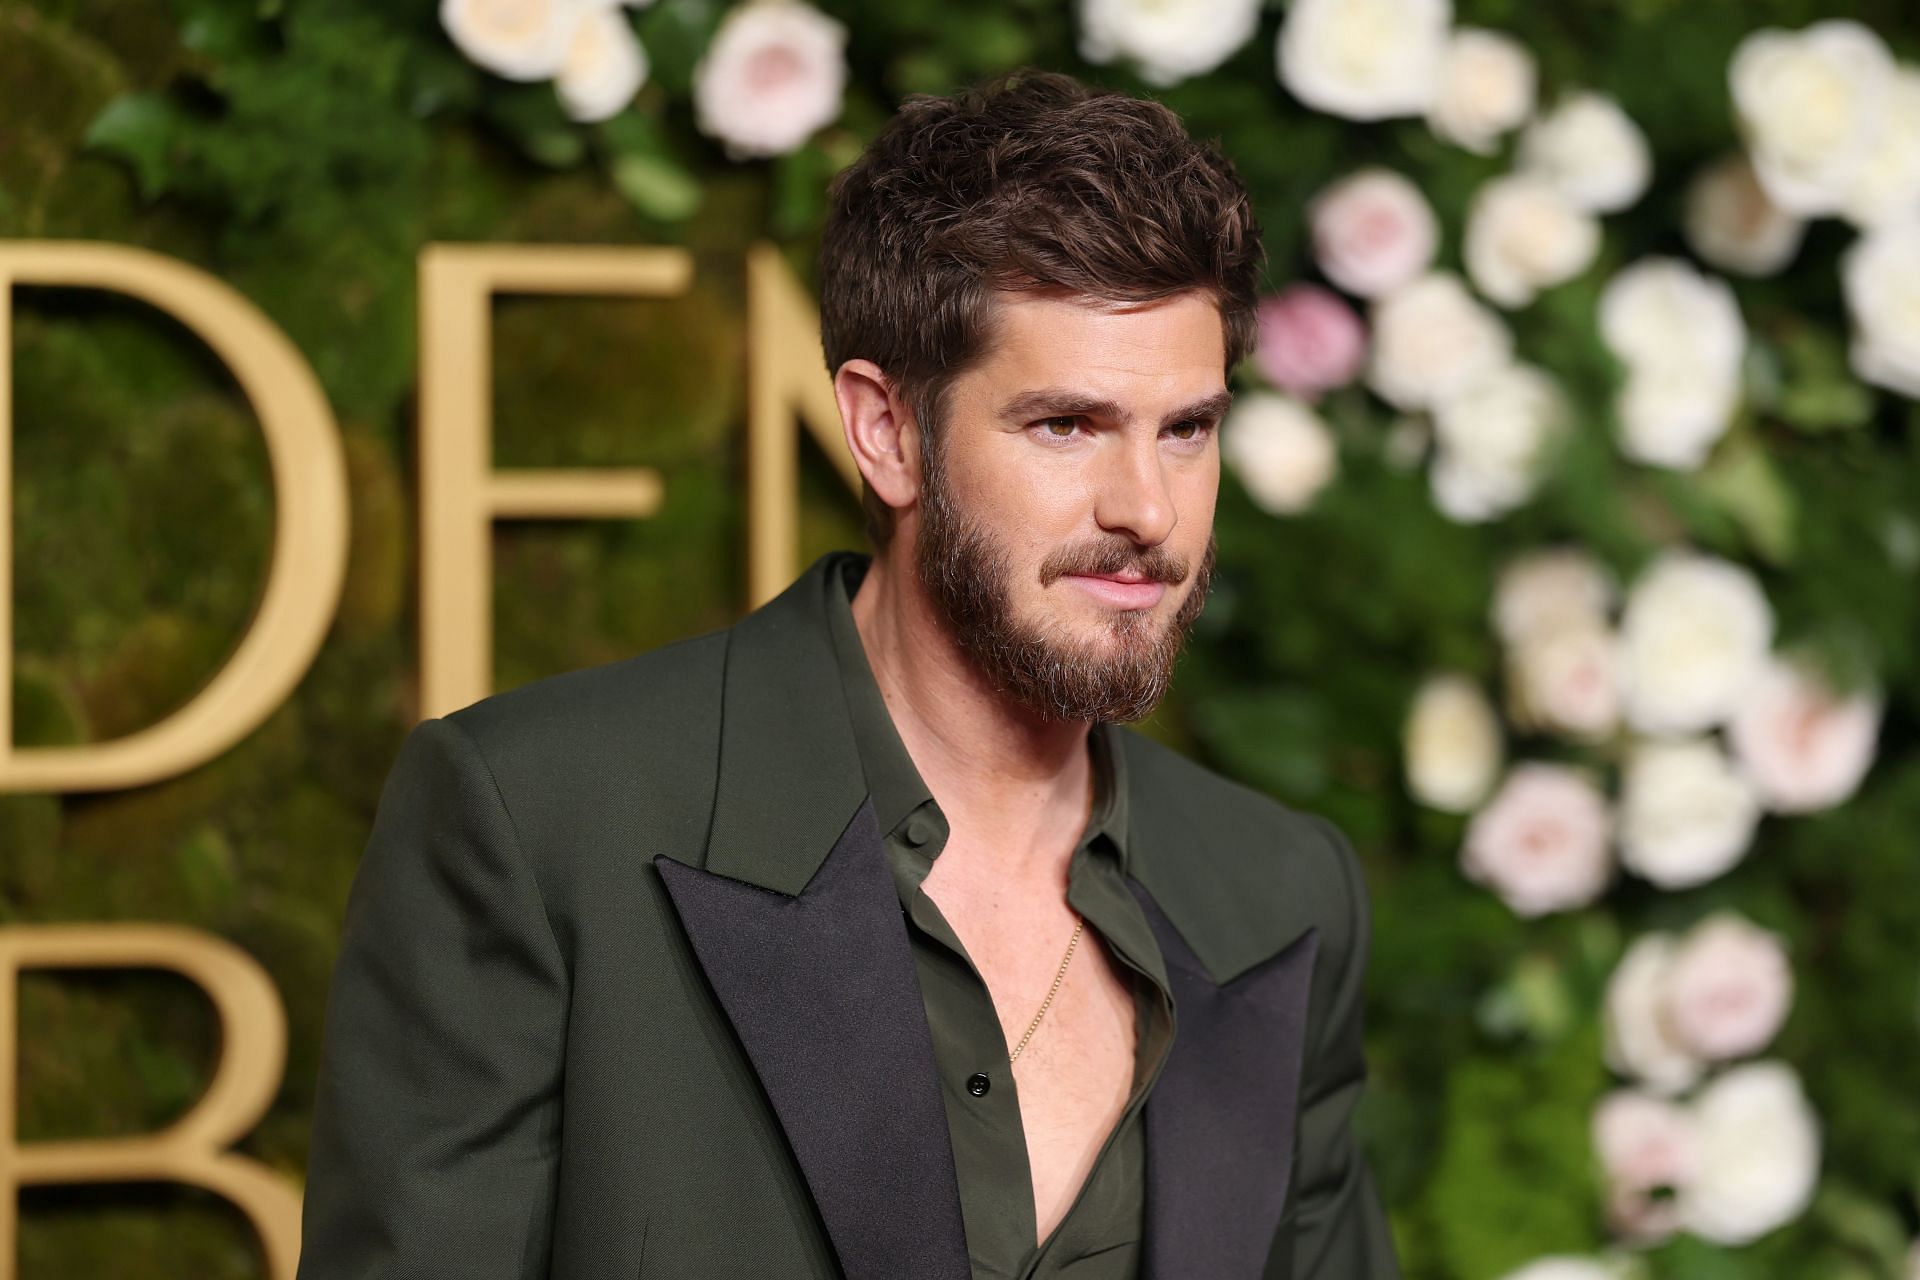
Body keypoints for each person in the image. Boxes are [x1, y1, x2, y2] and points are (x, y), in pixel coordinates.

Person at [296, 67, 1399, 1280]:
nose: (1148, 508)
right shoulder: (538, 821)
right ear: (885, 430)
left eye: (1186, 428)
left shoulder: (1281, 893)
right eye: (1065, 425)